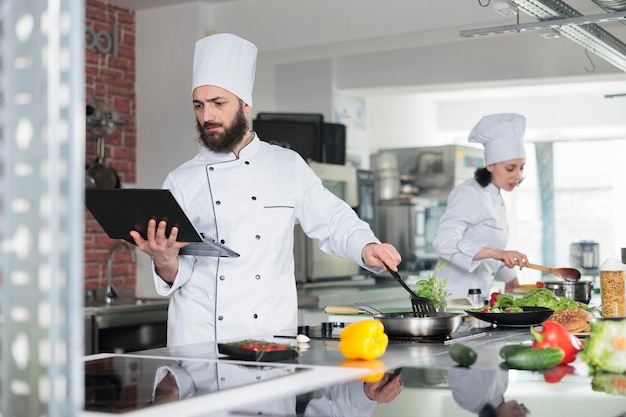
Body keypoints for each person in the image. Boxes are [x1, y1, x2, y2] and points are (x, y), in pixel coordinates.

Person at [129, 33, 401, 347]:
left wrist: (366, 246)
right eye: (199, 105)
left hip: (269, 340)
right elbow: (179, 270)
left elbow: (334, 220)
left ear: (246, 105)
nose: (207, 116)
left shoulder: (287, 166)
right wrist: (164, 261)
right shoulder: (181, 180)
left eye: (218, 103)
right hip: (200, 343)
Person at [431, 113, 529, 299]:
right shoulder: (469, 193)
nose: (517, 176)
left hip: (477, 297)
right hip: (452, 298)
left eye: (521, 167)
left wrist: (510, 278)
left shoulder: (495, 196)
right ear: (490, 165)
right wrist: (498, 253)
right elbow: (443, 241)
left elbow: (489, 249)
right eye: (510, 168)